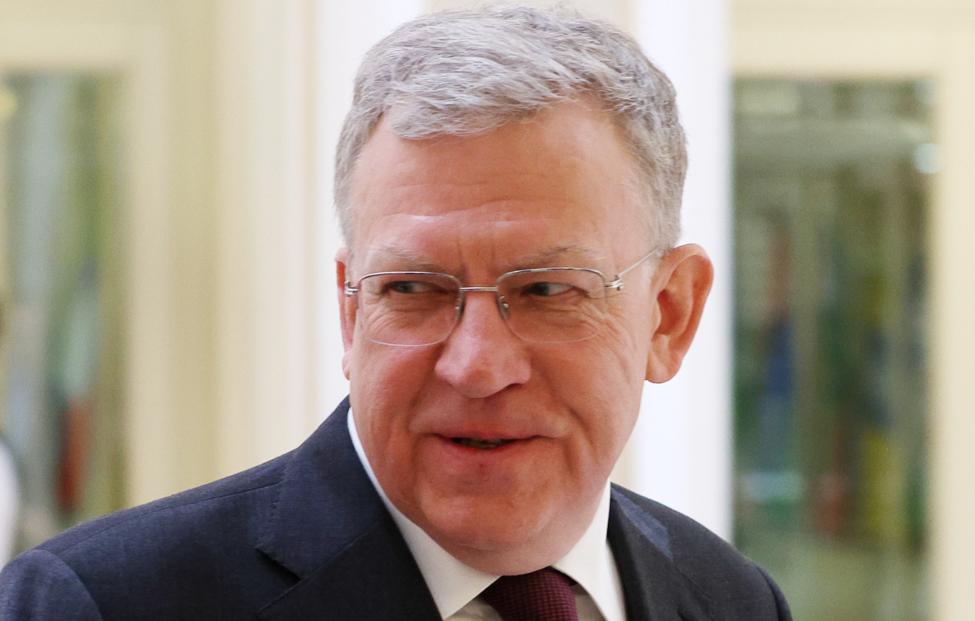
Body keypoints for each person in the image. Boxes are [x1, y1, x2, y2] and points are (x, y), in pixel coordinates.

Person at [0, 6, 791, 620]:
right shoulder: (105, 603)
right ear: (350, 311)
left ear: (669, 314)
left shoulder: (730, 599)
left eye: (546, 291)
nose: (476, 364)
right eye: (413, 289)